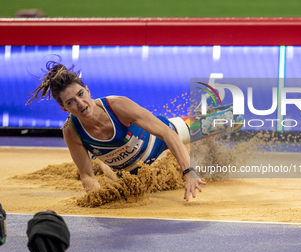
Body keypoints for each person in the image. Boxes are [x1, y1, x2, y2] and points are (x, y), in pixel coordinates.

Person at [26, 61, 205, 201]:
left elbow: (166, 133)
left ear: (88, 90)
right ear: (64, 109)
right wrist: (101, 199)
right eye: (70, 102)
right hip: (132, 172)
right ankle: (102, 163)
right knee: (108, 172)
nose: (80, 104)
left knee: (228, 123)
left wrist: (189, 172)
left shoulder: (118, 105)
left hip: (164, 139)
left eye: (80, 94)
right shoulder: (71, 132)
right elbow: (87, 176)